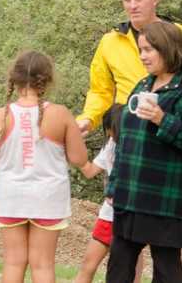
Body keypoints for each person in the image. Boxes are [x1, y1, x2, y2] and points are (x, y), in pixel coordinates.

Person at [75, 0, 182, 280]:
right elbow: (100, 91)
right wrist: (88, 118)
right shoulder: (113, 45)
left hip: (167, 174)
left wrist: (166, 118)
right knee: (123, 254)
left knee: (169, 255)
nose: (132, 5)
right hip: (130, 154)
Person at [106, 21, 182, 283]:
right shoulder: (141, 86)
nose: (143, 56)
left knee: (166, 269)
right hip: (131, 195)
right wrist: (113, 187)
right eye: (141, 50)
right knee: (119, 266)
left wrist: (163, 120)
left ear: (168, 49)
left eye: (149, 50)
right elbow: (124, 142)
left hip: (167, 199)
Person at [0, 51, 87, 283]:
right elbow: (79, 159)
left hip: (10, 197)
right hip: (49, 198)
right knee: (43, 265)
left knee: (13, 262)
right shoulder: (61, 114)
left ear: (14, 79)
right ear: (46, 79)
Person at [74, 104, 141, 283]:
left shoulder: (137, 146)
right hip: (110, 216)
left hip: (129, 216)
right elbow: (89, 171)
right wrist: (74, 147)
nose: (109, 135)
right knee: (89, 265)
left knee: (127, 271)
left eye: (110, 130)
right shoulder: (111, 145)